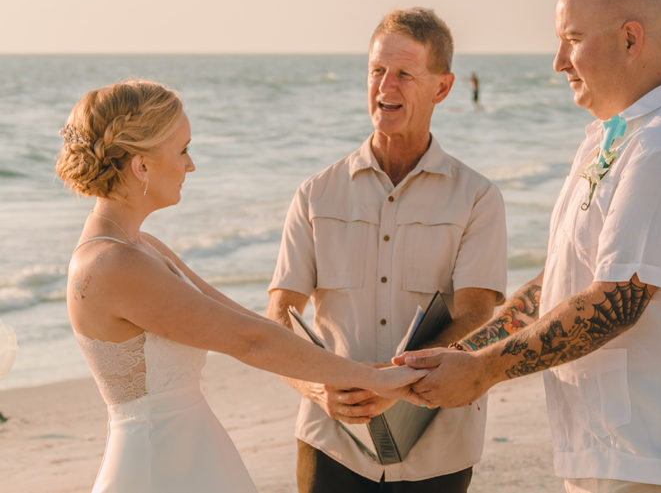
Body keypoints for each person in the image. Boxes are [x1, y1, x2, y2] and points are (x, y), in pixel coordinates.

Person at [396, 0, 661, 492]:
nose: (557, 61)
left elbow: (618, 300)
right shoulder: (609, 140)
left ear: (631, 38)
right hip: (607, 453)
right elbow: (556, 286)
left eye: (573, 40)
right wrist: (458, 358)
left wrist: (483, 372)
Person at [55, 80, 426, 493]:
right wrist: (369, 379)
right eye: (182, 150)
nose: (190, 165)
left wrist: (360, 373)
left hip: (189, 451)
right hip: (156, 468)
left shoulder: (141, 247)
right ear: (141, 166)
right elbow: (249, 341)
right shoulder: (113, 264)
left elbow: (244, 322)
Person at [266, 8, 507, 492]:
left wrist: (394, 386)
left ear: (442, 87)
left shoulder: (478, 197)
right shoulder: (315, 194)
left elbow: (478, 314)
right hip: (331, 440)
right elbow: (279, 318)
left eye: (403, 74)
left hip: (438, 446)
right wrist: (317, 388)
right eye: (377, 71)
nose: (385, 87)